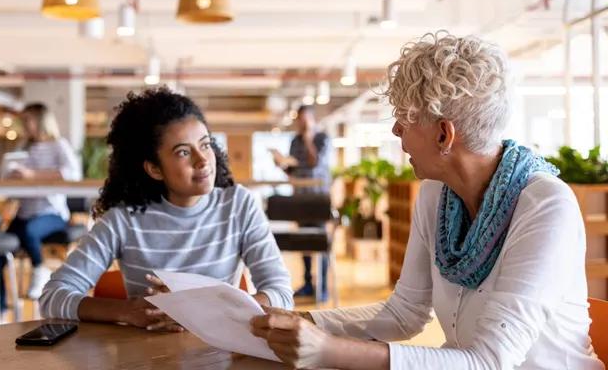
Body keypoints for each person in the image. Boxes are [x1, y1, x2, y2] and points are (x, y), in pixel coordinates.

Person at [250, 32, 605, 369]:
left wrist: (328, 350)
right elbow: (404, 314)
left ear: (443, 134)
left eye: (405, 117)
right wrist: (298, 321)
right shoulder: (436, 194)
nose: (395, 130)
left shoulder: (545, 206)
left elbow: (489, 362)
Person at [40, 87, 293, 330]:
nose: (202, 160)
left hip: (221, 354)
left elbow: (280, 293)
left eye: (205, 145)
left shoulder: (238, 205)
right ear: (154, 168)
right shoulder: (123, 220)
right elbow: (53, 297)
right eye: (183, 152)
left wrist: (199, 309)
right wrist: (128, 312)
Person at [4, 103, 82, 300]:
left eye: (27, 120)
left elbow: (72, 174)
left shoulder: (58, 145)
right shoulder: (23, 148)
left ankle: (39, 269)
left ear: (41, 121)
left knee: (29, 230)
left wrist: (32, 175)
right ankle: (0, 304)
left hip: (52, 213)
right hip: (24, 211)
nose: (24, 124)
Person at [272, 105, 332, 301]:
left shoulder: (323, 139)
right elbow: (293, 172)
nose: (302, 124)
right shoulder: (294, 141)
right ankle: (308, 283)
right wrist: (281, 164)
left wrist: (308, 139)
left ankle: (322, 287)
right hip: (300, 200)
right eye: (300, 120)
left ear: (313, 120)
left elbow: (315, 163)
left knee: (321, 243)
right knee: (304, 243)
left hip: (318, 201)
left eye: (305, 120)